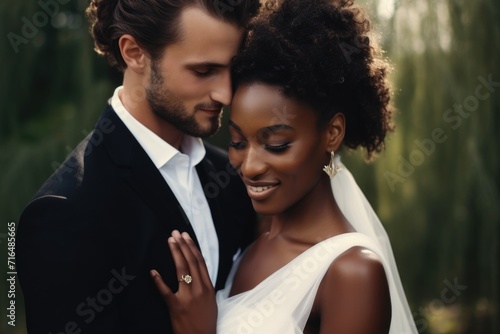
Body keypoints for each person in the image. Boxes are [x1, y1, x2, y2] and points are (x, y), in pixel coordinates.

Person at [151, 0, 419, 333]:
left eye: (276, 145)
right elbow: (193, 282)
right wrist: (188, 284)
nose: (248, 167)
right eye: (237, 142)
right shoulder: (252, 229)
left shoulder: (351, 272)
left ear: (332, 133)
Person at [16, 0, 260, 333]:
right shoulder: (66, 211)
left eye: (233, 68)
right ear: (134, 53)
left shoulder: (233, 175)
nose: (226, 94)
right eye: (203, 71)